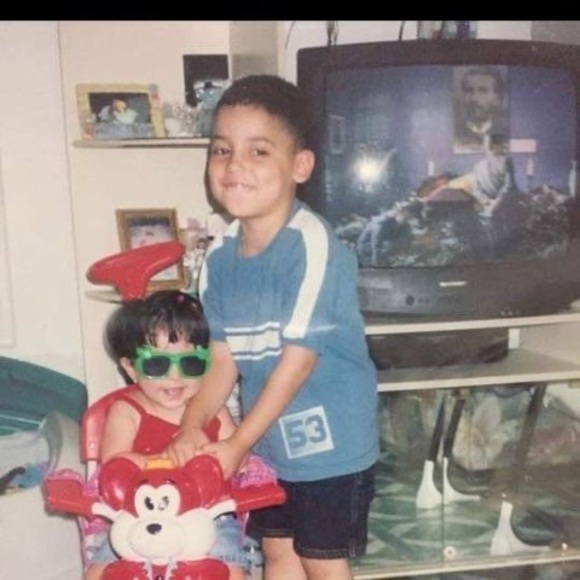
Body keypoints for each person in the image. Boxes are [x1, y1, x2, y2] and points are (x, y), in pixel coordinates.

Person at [168, 74, 379, 580]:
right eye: (222, 150)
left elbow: (298, 361)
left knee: (321, 558)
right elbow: (222, 359)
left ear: (300, 166)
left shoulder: (313, 245)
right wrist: (192, 425)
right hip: (270, 443)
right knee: (277, 553)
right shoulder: (219, 257)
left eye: (258, 151)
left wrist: (236, 445)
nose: (234, 165)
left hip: (332, 446)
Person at [84, 289, 247, 580]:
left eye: (190, 363)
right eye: (157, 364)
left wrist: (221, 457)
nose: (175, 376)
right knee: (98, 573)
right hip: (138, 515)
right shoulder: (127, 410)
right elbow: (114, 464)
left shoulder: (213, 409)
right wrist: (167, 462)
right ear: (131, 368)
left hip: (208, 516)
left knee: (231, 571)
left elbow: (240, 457)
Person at [454, 66, 509, 153]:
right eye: (469, 90)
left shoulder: (508, 133)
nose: (474, 98)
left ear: (497, 97)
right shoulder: (454, 133)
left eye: (483, 91)